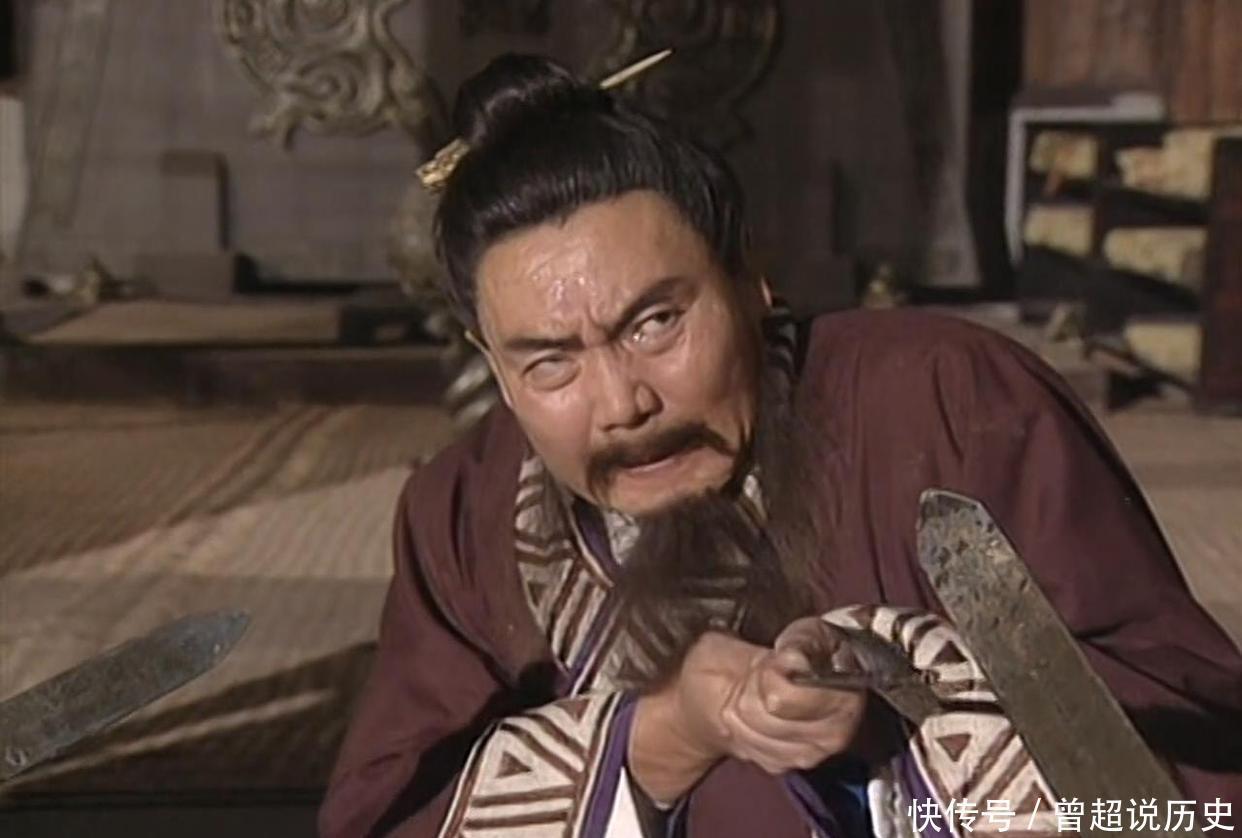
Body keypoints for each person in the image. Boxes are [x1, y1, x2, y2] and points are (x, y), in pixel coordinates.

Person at [320, 54, 1242, 837]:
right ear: (492, 363)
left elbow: (1189, 735)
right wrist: (662, 735)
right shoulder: (463, 511)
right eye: (550, 362)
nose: (623, 404)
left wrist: (898, 680)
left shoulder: (951, 401)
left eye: (656, 323)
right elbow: (388, 814)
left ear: (750, 279)